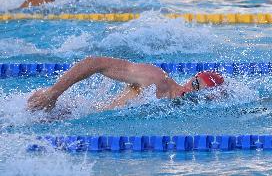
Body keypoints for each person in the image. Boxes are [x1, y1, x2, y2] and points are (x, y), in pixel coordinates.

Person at [27, 56, 224, 112]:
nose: (191, 92)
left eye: (201, 94)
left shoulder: (179, 113)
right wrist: (52, 93)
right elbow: (94, 63)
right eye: (195, 85)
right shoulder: (156, 78)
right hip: (62, 112)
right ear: (190, 80)